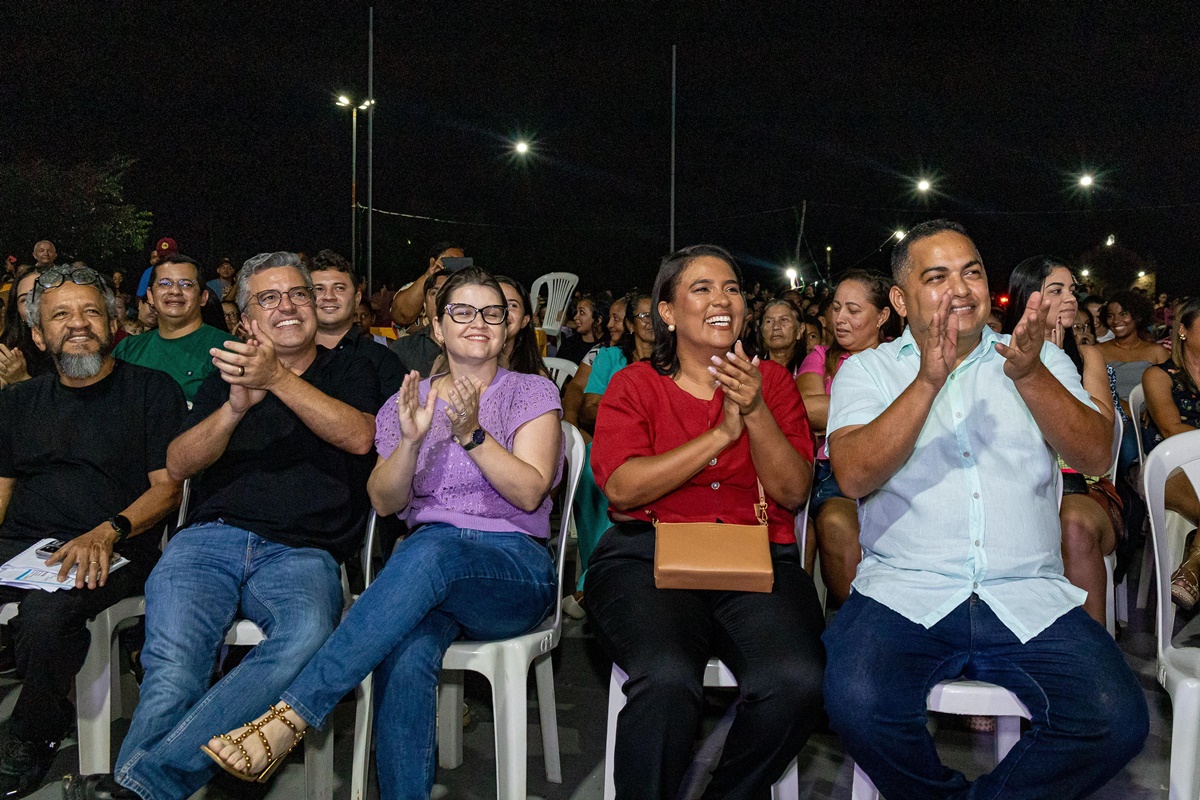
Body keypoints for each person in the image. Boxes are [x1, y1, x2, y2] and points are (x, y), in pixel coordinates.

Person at [203, 267, 561, 798]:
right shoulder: (407, 400)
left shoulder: (531, 392)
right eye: (461, 312)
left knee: (433, 546)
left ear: (509, 327)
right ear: (437, 328)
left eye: (492, 313)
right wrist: (412, 443)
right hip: (426, 579)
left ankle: (293, 715)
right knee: (406, 647)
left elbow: (530, 493)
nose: (478, 323)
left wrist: (472, 435)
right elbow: (384, 500)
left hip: (510, 571)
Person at [823, 219, 1147, 799]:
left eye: (971, 271)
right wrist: (927, 380)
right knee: (856, 702)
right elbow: (852, 473)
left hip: (1025, 593)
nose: (961, 289)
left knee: (1114, 720)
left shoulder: (1035, 360)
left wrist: (1029, 378)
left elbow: (1097, 454)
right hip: (904, 591)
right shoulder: (869, 370)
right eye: (938, 276)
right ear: (900, 300)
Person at [73, 252, 380, 800]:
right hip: (207, 540)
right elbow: (180, 464)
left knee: (306, 638)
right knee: (173, 667)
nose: (287, 306)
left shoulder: (353, 366)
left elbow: (360, 437)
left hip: (304, 551)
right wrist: (235, 408)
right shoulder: (227, 373)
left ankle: (140, 785)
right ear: (246, 320)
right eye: (269, 297)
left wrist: (278, 379)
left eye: (298, 295)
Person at [587, 245, 824, 800]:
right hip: (644, 559)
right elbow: (621, 487)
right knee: (666, 678)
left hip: (754, 558)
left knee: (797, 681)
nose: (722, 299)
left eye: (733, 289)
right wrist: (719, 436)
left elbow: (792, 490)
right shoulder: (635, 384)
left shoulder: (774, 382)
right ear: (667, 312)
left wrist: (756, 409)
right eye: (702, 288)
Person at [0, 266, 185, 797]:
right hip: (25, 543)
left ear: (113, 322)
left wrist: (110, 530)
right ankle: (48, 702)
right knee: (44, 607)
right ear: (38, 335)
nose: (77, 324)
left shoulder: (152, 392)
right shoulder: (16, 403)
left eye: (90, 312)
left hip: (117, 543)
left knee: (47, 615)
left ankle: (33, 734)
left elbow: (167, 489)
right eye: (60, 315)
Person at [1004, 256, 1122, 626]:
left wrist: (1054, 366)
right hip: (1021, 483)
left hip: (1082, 487)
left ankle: (1091, 650)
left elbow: (1103, 434)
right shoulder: (1004, 355)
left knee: (1071, 522)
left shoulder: (1089, 356)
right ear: (1029, 298)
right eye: (1056, 290)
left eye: (1072, 290)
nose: (1071, 298)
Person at [797, 270, 892, 604]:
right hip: (832, 471)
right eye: (836, 308)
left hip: (893, 468)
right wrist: (887, 411)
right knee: (837, 522)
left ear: (882, 315)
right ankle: (857, 616)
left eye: (853, 310)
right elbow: (807, 407)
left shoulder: (899, 357)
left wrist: (838, 413)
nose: (839, 318)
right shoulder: (821, 357)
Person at [1142, 296, 1200, 610]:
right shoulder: (1160, 375)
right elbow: (1169, 427)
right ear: (1183, 331)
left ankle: (1192, 567)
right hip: (1166, 469)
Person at [112, 254, 230, 402]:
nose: (174, 291)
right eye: (164, 283)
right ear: (150, 296)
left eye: (186, 284)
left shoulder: (227, 348)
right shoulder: (128, 349)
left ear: (203, 297)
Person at [310, 248, 406, 397]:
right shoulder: (289, 356)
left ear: (356, 299)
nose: (328, 296)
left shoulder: (382, 361)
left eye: (339, 288)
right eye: (319, 289)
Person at [389, 241, 465, 328]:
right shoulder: (415, 287)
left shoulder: (466, 291)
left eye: (461, 262)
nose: (455, 266)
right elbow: (401, 317)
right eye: (451, 260)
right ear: (433, 262)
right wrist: (428, 275)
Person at [0, 267, 53, 387]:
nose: (33, 302)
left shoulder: (78, 341)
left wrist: (22, 379)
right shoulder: (8, 350)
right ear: (18, 311)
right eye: (24, 299)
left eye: (41, 293)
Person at [389, 270, 447, 378]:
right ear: (425, 305)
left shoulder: (475, 346)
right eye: (435, 293)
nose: (441, 299)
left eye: (448, 292)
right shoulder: (402, 348)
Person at [496, 276, 549, 377]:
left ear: (525, 320)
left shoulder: (537, 379)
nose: (504, 311)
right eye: (496, 303)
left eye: (512, 305)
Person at [758, 298, 806, 375]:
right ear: (762, 331)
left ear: (800, 330)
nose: (776, 327)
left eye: (784, 320)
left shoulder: (808, 369)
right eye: (769, 321)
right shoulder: (753, 368)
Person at [556, 294, 609, 364]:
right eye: (576, 312)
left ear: (598, 321)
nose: (575, 317)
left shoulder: (607, 348)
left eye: (582, 312)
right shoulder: (569, 344)